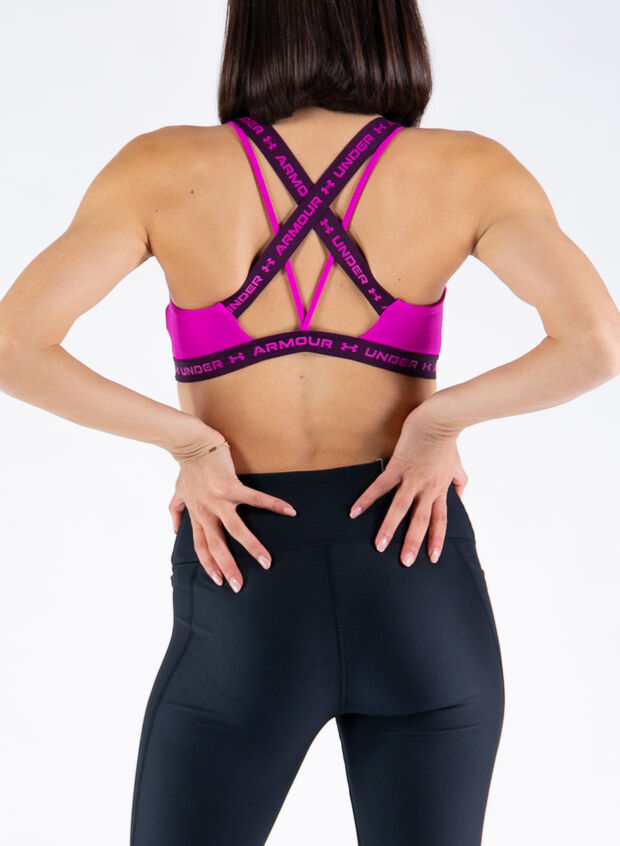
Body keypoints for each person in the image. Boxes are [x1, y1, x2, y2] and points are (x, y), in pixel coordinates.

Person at [1, 1, 619, 844]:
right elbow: (594, 344)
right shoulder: (471, 170)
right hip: (415, 568)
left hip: (245, 571)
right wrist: (437, 423)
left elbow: (16, 346)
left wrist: (191, 443)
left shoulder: (160, 168)